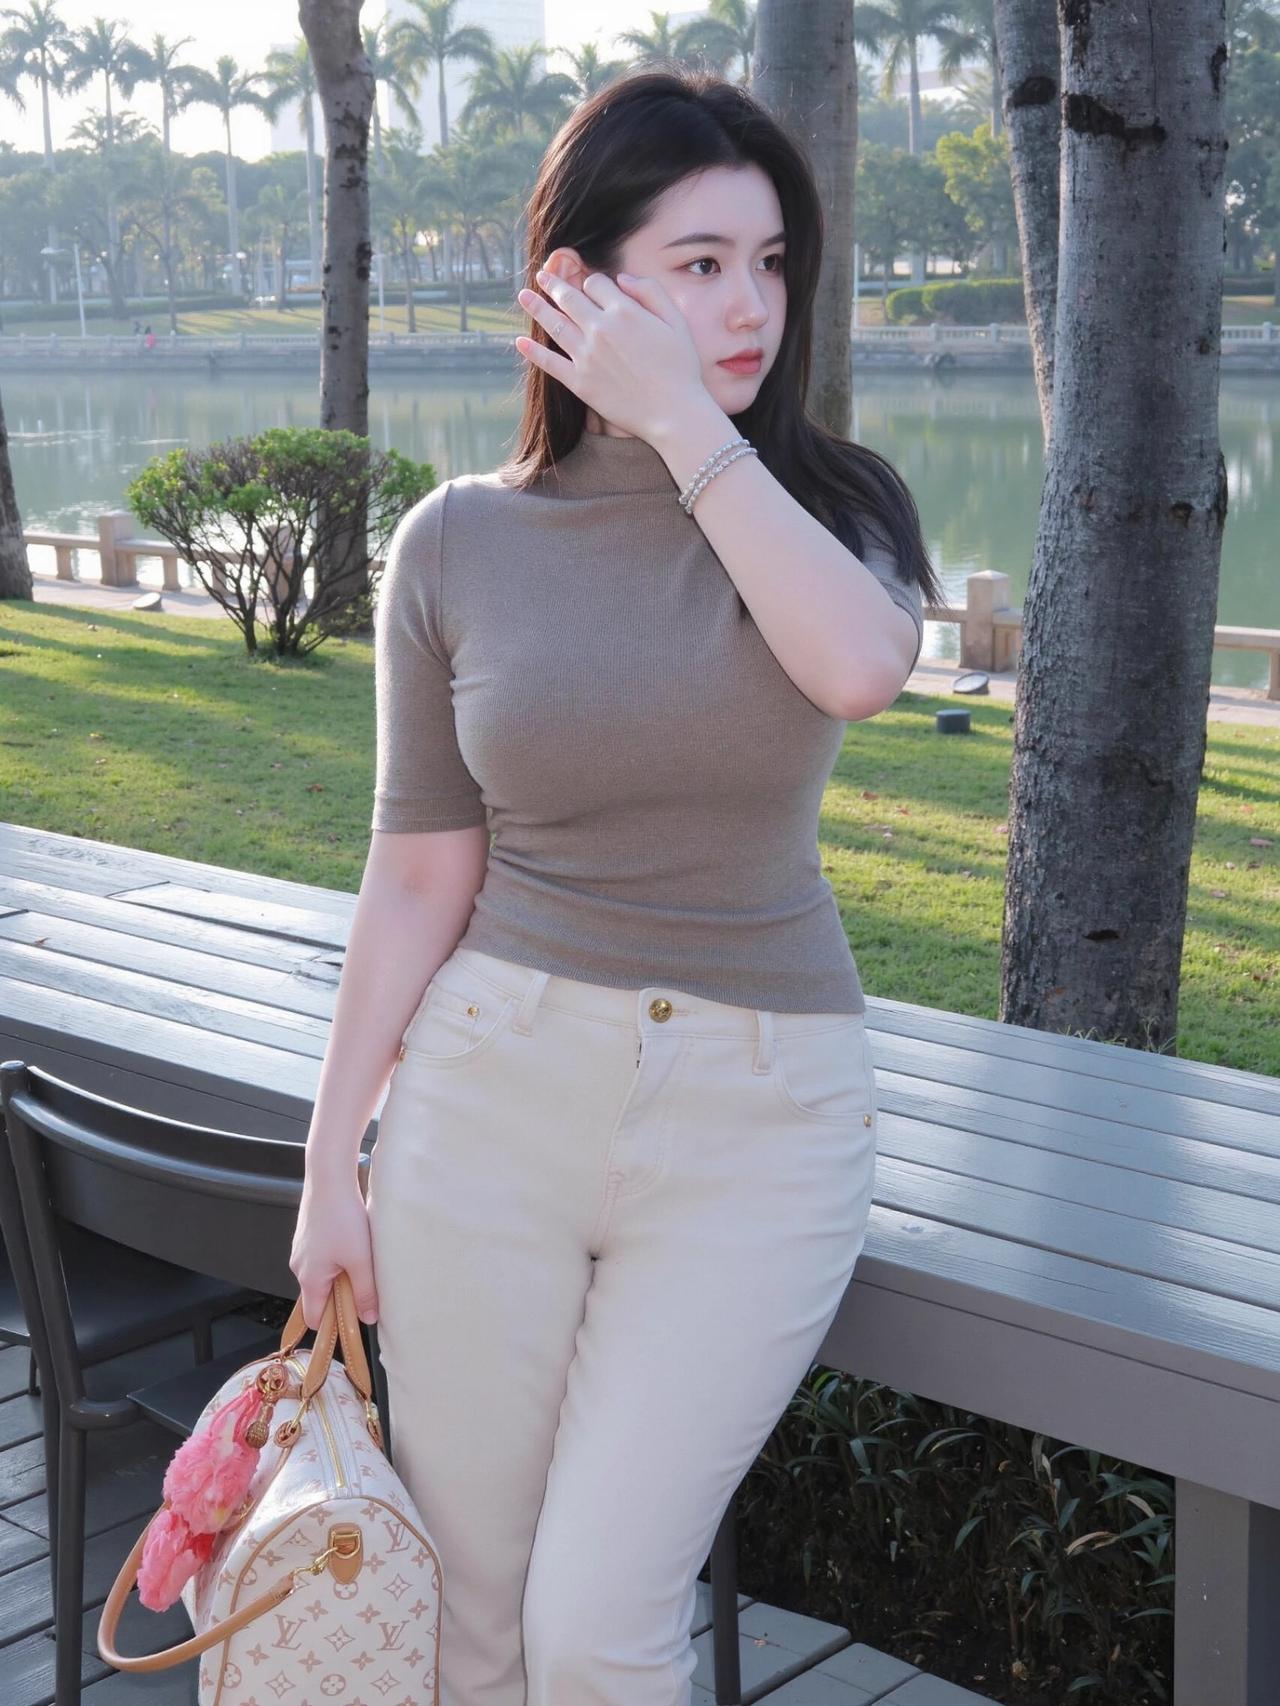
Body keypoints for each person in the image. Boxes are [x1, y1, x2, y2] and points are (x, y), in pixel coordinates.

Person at [289, 66, 944, 1706]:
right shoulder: (455, 541)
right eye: (700, 263)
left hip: (759, 1120)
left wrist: (690, 429)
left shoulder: (834, 510)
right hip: (488, 1100)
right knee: (472, 1618)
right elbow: (417, 871)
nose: (751, 306)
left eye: (771, 262)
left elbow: (861, 665)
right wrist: (330, 1159)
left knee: (595, 1626)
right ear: (572, 285)